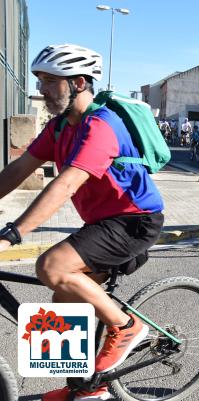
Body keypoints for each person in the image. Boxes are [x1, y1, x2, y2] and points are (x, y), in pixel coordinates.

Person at [0, 44, 164, 401]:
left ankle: (127, 326)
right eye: (40, 80)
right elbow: (18, 169)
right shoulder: (59, 128)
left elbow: (67, 183)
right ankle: (90, 389)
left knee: (52, 266)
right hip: (102, 224)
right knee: (64, 301)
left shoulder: (101, 126)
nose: (41, 89)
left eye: (48, 81)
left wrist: (12, 234)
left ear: (77, 83)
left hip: (134, 221)